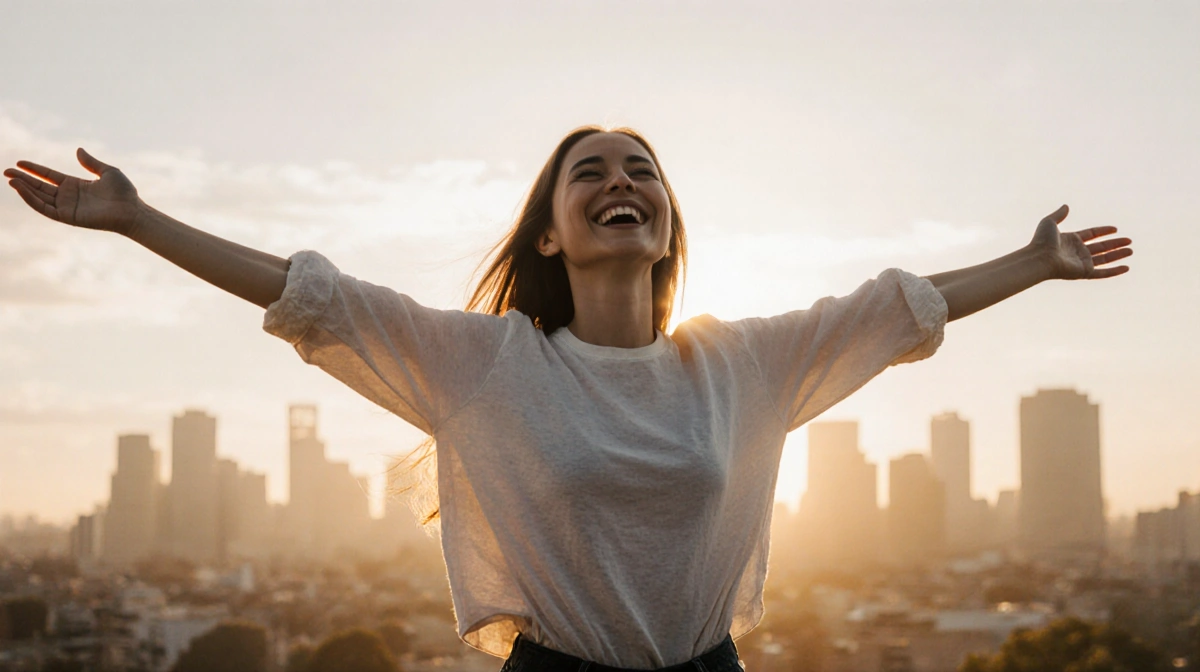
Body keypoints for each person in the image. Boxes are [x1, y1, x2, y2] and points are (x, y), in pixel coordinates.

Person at [4, 127, 1131, 672]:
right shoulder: (489, 366)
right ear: (552, 231)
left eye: (641, 168)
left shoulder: (742, 364)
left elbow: (900, 307)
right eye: (588, 172)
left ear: (668, 222)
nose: (620, 181)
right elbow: (317, 298)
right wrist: (139, 222)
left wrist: (1034, 262)